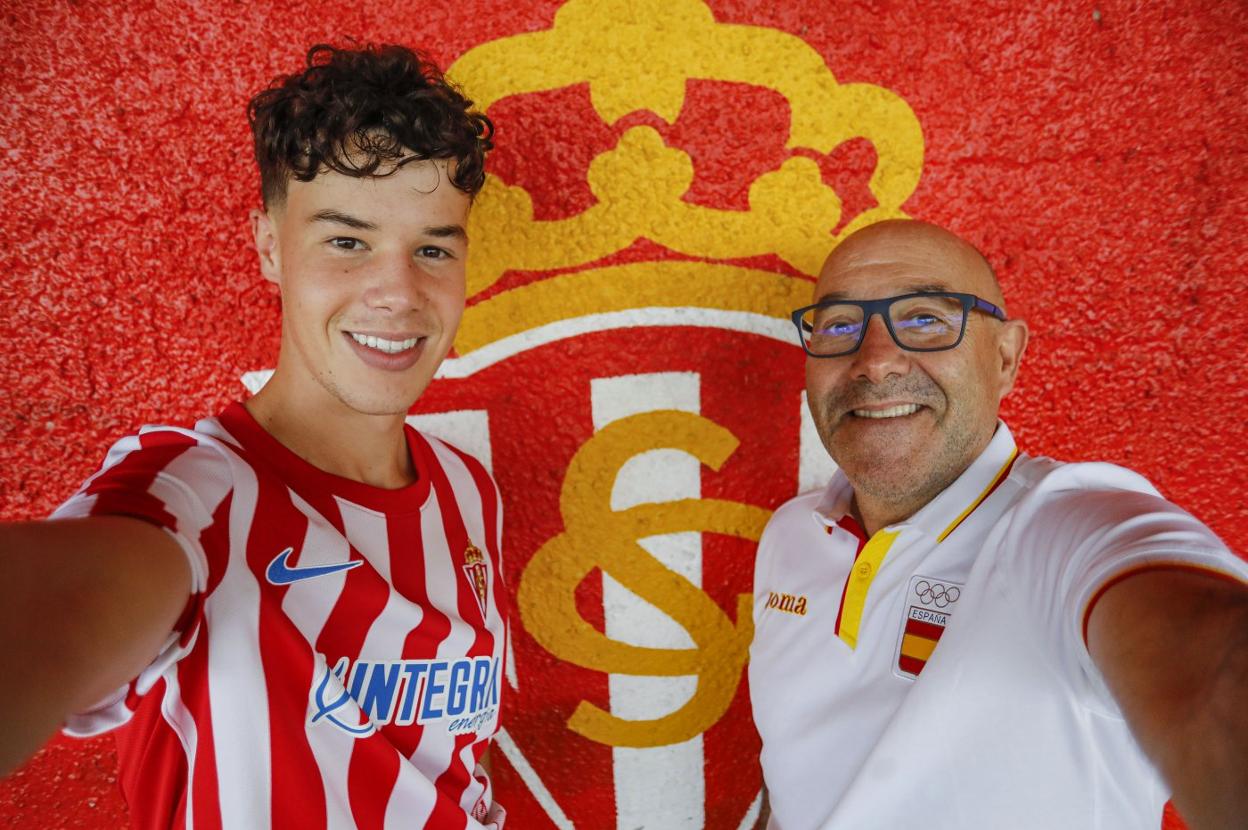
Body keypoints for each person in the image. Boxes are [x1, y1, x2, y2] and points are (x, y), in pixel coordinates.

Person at [0, 44, 508, 828]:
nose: (398, 293)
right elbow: (52, 612)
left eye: (433, 249)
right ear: (270, 247)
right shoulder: (197, 494)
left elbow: (457, 768)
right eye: (347, 241)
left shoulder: (469, 489)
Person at [749, 219, 1248, 830]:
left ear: (1005, 357)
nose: (875, 362)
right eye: (838, 326)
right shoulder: (791, 537)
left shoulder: (1060, 528)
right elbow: (797, 768)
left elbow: (1209, 660)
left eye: (925, 319)